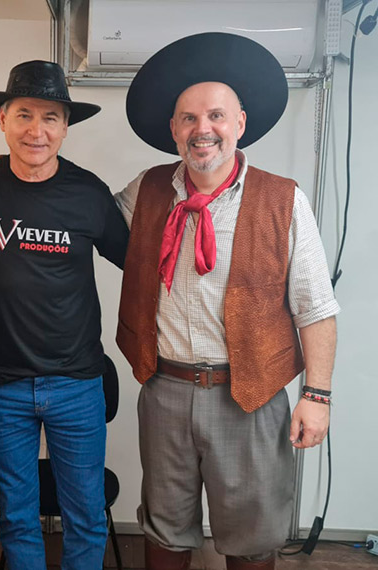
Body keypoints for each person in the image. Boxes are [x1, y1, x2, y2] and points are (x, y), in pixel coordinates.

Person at [116, 33, 340, 570]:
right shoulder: (145, 191)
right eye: (189, 118)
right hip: (165, 388)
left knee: (253, 533)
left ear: (239, 123)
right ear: (174, 129)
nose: (203, 129)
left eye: (216, 116)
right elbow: (82, 219)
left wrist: (317, 395)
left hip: (250, 396)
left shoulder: (283, 199)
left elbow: (315, 307)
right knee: (164, 527)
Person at [0, 61, 129, 569]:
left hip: (77, 383)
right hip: (1, 383)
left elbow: (139, 261)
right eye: (24, 114)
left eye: (50, 117)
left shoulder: (88, 193)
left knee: (85, 515)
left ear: (65, 127)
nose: (36, 131)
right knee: (17, 517)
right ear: (2, 119)